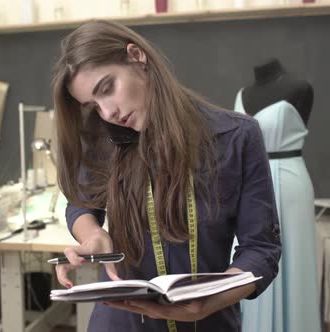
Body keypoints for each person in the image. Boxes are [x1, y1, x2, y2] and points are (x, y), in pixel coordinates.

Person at [51, 20, 282, 331]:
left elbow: (261, 249)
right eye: (93, 105)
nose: (108, 112)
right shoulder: (104, 142)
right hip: (120, 324)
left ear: (137, 56)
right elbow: (81, 203)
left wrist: (209, 302)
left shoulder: (236, 137)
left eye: (107, 88)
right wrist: (94, 236)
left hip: (209, 323)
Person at [234, 59, 320, 332]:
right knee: (250, 255)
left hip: (288, 180)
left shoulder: (300, 88)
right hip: (248, 180)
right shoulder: (242, 95)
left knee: (292, 267)